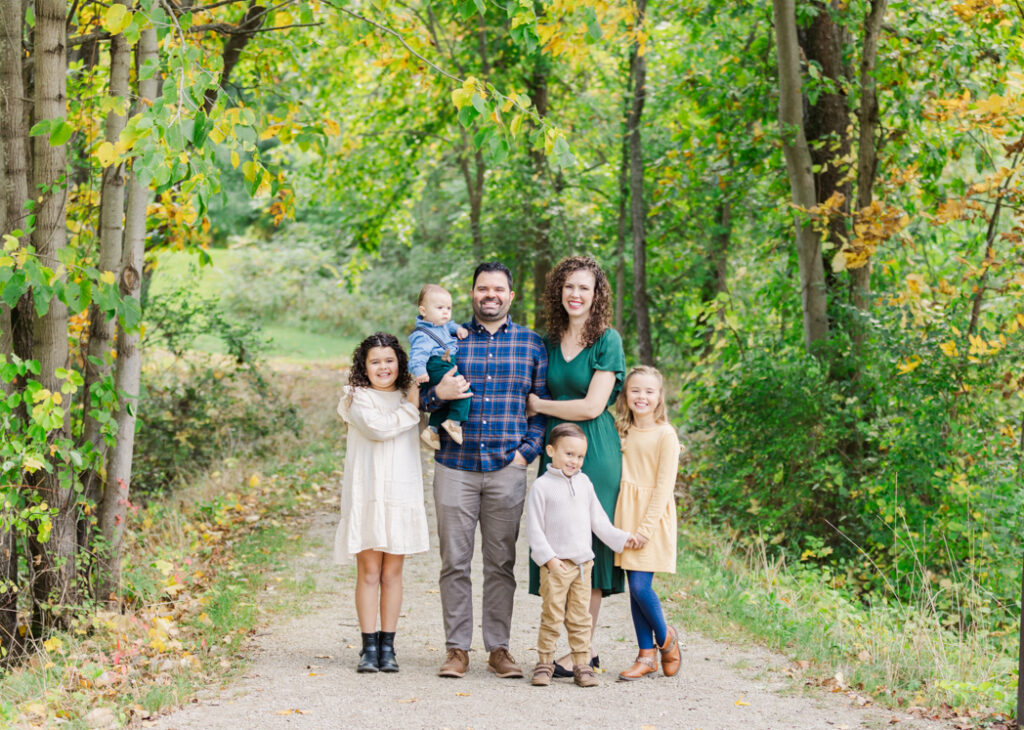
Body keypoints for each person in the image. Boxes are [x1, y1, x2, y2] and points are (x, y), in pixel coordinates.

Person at [420, 261, 549, 679]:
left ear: (511, 296)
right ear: (472, 294)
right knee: (454, 562)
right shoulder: (448, 341)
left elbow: (539, 405)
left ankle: (499, 648)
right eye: (481, 289)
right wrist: (436, 394)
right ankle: (457, 649)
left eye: (498, 289)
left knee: (500, 563)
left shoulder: (532, 344)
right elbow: (422, 395)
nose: (489, 295)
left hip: (506, 469)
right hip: (455, 466)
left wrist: (526, 454)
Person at [526, 256, 626, 676]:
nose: (576, 294)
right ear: (558, 292)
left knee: (589, 552)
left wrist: (540, 405)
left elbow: (592, 405)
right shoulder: (546, 341)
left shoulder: (607, 340)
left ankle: (582, 651)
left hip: (595, 453)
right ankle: (561, 648)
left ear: (597, 293)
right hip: (554, 452)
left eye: (584, 287)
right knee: (554, 543)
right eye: (569, 286)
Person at [334, 332, 428, 674]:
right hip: (367, 492)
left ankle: (388, 646)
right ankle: (367, 646)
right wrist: (413, 408)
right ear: (364, 366)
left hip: (400, 492)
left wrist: (418, 399)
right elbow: (378, 429)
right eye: (375, 361)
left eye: (389, 360)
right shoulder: (356, 398)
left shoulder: (409, 393)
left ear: (399, 363)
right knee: (369, 572)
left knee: (393, 573)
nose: (383, 367)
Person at [525, 423, 638, 688]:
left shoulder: (584, 482)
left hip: (582, 566)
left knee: (580, 619)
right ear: (551, 450)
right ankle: (544, 663)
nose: (574, 461)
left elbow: (598, 521)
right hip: (555, 566)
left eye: (579, 456)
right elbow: (534, 529)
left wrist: (622, 539)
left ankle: (581, 664)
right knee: (552, 616)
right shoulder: (542, 487)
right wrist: (549, 560)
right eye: (569, 454)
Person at [612, 365, 682, 681]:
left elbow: (664, 487)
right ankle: (646, 655)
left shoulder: (665, 434)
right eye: (635, 390)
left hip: (651, 518)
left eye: (649, 391)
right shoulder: (620, 430)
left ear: (659, 397)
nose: (642, 396)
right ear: (626, 395)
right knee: (634, 587)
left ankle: (667, 640)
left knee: (642, 587)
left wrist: (645, 529)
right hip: (624, 515)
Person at [408, 283, 470, 450]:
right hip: (435, 366)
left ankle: (432, 430)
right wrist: (420, 371)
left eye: (448, 308)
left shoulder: (441, 325)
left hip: (444, 364)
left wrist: (458, 328)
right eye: (440, 307)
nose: (445, 312)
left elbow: (450, 325)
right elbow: (417, 356)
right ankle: (454, 422)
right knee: (461, 388)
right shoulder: (422, 335)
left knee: (447, 400)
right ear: (423, 311)